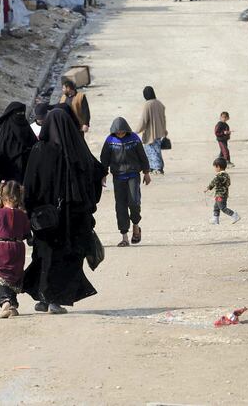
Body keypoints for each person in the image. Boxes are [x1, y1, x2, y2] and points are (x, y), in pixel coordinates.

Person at [23, 108, 105, 314]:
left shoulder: (40, 150)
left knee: (44, 256)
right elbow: (96, 173)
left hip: (45, 218)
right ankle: (53, 300)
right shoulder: (77, 149)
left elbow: (30, 185)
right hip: (73, 219)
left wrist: (29, 212)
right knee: (66, 257)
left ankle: (44, 297)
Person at [100, 117, 151, 247]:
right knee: (120, 206)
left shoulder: (134, 138)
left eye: (122, 132)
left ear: (126, 130)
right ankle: (124, 237)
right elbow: (104, 158)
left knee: (134, 202)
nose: (120, 134)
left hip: (133, 175)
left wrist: (146, 172)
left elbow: (142, 155)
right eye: (118, 133)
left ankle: (136, 225)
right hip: (118, 177)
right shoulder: (110, 140)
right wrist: (103, 174)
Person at [0, 181, 31, 319]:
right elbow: (27, 231)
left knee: (2, 274)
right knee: (14, 274)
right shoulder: (22, 215)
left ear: (2, 197)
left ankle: (5, 302)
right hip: (17, 247)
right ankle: (13, 304)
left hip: (0, 247)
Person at [0, 102, 38, 184]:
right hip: (5, 174)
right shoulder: (5, 132)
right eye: (18, 113)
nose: (20, 116)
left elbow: (35, 147)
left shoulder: (26, 128)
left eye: (22, 113)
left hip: (22, 174)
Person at [136, 86, 167, 174]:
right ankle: (159, 167)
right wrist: (164, 130)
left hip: (150, 132)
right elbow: (163, 118)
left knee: (150, 149)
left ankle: (155, 168)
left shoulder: (148, 104)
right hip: (159, 131)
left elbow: (144, 120)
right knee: (157, 150)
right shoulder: (159, 103)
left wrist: (137, 131)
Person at [205, 158, 240, 225]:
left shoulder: (219, 175)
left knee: (222, 207)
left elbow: (214, 182)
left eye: (215, 167)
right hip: (224, 194)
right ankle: (215, 219)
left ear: (218, 167)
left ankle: (234, 215)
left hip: (220, 195)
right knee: (216, 206)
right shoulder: (226, 175)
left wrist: (208, 188)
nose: (214, 169)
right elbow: (228, 183)